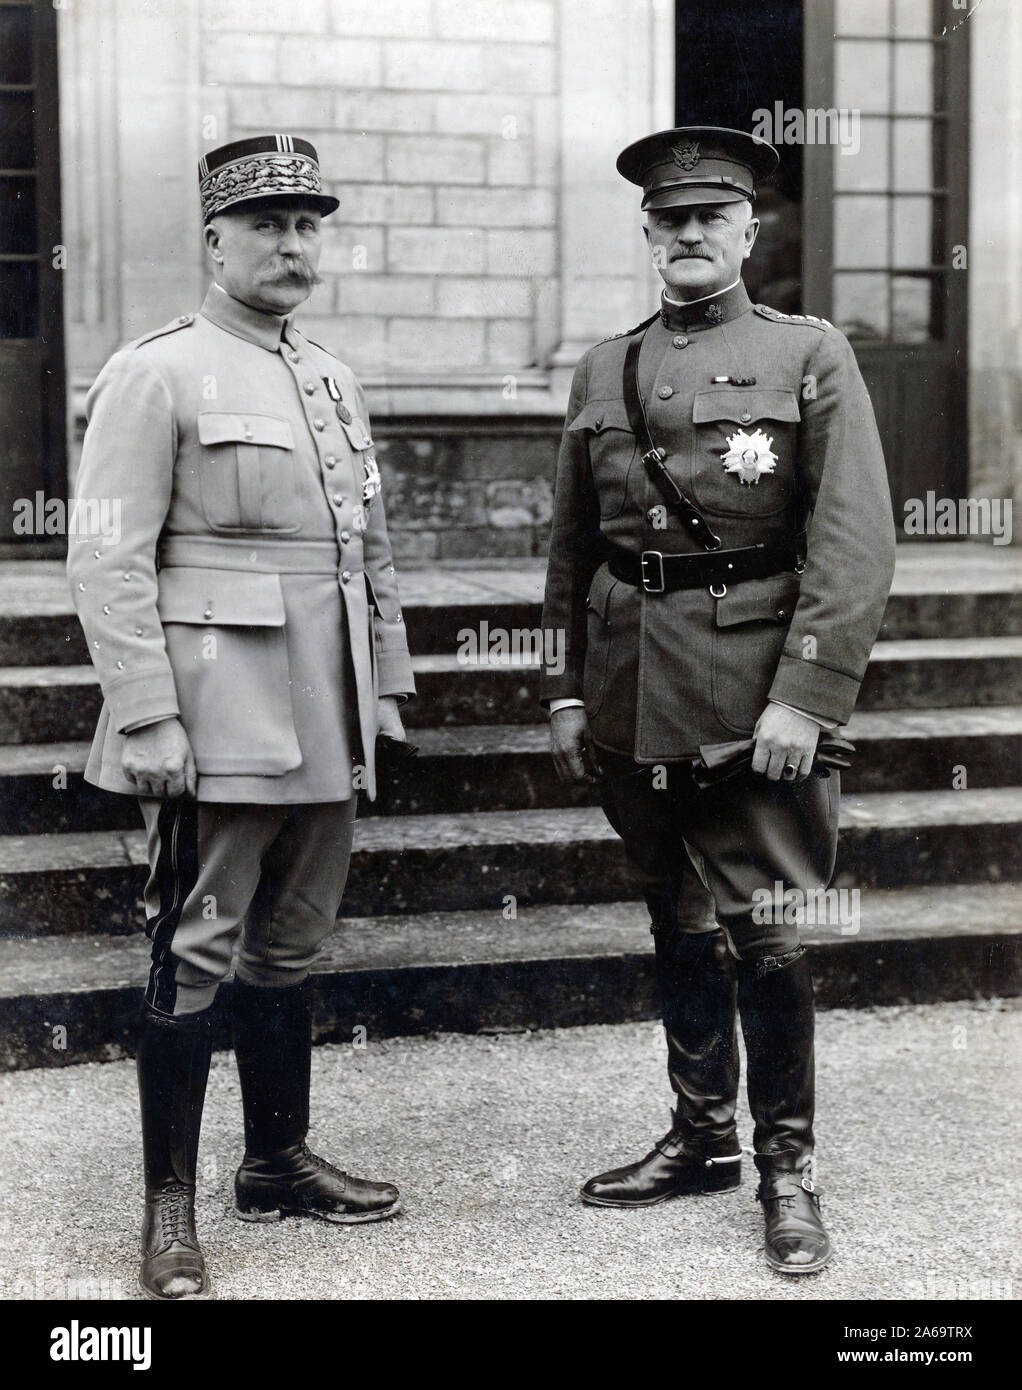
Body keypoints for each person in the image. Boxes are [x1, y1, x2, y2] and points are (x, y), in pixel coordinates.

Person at [539, 126, 896, 1274]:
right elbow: (568, 545)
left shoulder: (806, 353)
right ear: (646, 232)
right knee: (673, 915)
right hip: (625, 687)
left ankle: (786, 1167)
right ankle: (699, 1137)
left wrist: (806, 695)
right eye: (666, 219)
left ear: (750, 230)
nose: (686, 235)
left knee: (769, 930)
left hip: (752, 692)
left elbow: (851, 543)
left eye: (708, 217)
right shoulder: (606, 367)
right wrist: (558, 688)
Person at [68, 135, 414, 1300]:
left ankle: (273, 1161)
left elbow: (367, 552)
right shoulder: (157, 370)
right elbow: (107, 556)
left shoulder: (328, 377)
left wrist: (390, 687)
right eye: (267, 223)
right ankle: (168, 1210)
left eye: (307, 224)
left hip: (328, 712)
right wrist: (147, 713)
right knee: (196, 943)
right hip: (216, 712)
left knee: (291, 942)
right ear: (214, 239)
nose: (291, 244)